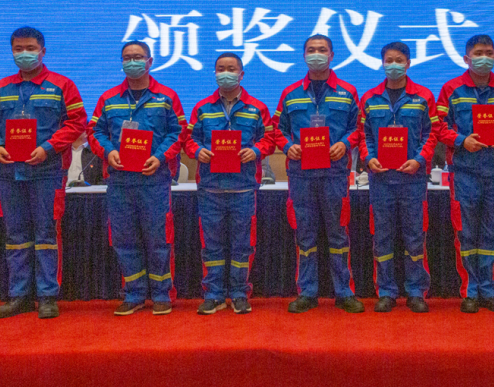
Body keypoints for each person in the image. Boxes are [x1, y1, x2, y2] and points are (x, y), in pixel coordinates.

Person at [0, 27, 87, 319]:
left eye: (30, 48)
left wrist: (49, 148)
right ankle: (19, 296)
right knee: (15, 235)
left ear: (43, 51)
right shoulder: (1, 87)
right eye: (18, 49)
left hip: (47, 171)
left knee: (46, 234)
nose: (24, 54)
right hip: (9, 172)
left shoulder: (62, 85)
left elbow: (77, 122)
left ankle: (47, 296)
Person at [87, 41, 186, 316]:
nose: (133, 62)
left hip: (154, 178)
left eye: (138, 57)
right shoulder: (108, 98)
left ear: (150, 61)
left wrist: (160, 157)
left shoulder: (166, 96)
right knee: (124, 239)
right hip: (120, 180)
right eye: (127, 58)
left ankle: (162, 294)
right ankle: (134, 294)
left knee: (158, 239)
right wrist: (108, 151)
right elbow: (95, 132)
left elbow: (178, 132)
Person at [274, 35, 364, 313]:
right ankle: (307, 292)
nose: (316, 54)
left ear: (332, 55)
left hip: (334, 174)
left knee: (338, 234)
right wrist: (288, 146)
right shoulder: (290, 93)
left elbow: (358, 128)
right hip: (301, 174)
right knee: (305, 235)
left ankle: (344, 292)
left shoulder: (347, 92)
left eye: (322, 50)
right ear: (304, 56)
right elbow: (276, 129)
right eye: (311, 50)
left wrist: (345, 144)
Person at [436, 34, 494, 314]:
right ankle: (470, 290)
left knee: (492, 232)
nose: (484, 57)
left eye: (489, 53)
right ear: (466, 58)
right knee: (466, 231)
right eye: (478, 53)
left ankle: (489, 288)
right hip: (464, 171)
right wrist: (462, 140)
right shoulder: (451, 89)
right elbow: (439, 126)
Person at [185, 53, 273, 315]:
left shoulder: (257, 108)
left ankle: (239, 293)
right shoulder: (202, 108)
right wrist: (197, 151)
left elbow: (269, 140)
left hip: (243, 188)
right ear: (215, 74)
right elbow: (188, 140)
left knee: (242, 245)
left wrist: (255, 151)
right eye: (221, 69)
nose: (226, 73)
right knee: (211, 245)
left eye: (231, 69)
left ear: (241, 74)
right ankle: (213, 295)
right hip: (210, 188)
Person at [358, 41, 440, 313]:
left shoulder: (423, 96)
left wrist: (419, 160)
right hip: (381, 179)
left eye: (399, 60)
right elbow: (364, 135)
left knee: (414, 236)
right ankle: (386, 291)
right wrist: (369, 158)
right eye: (389, 60)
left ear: (408, 63)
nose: (394, 65)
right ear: (382, 63)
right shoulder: (370, 98)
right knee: (382, 236)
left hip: (412, 178)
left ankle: (416, 291)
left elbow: (431, 134)